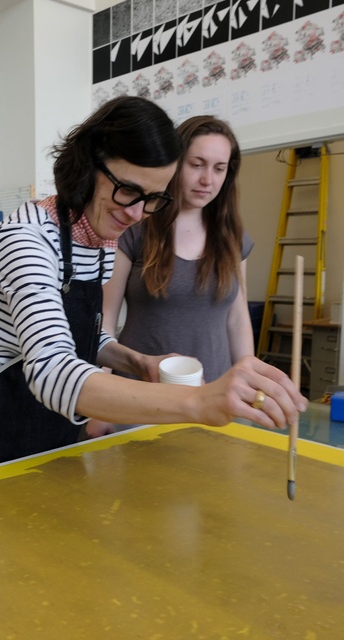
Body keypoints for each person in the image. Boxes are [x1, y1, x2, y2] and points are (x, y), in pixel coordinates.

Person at [0, 97, 304, 477]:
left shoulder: (96, 239)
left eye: (153, 198)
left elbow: (86, 337)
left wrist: (137, 363)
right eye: (128, 190)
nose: (136, 214)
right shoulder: (25, 240)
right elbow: (52, 370)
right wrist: (197, 402)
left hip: (52, 426)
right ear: (89, 163)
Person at [92, 115, 252, 436]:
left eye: (219, 169)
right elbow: (105, 320)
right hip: (140, 397)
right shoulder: (135, 226)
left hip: (211, 399)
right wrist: (100, 403)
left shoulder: (233, 237)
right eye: (197, 164)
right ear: (175, 165)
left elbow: (237, 320)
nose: (207, 179)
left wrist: (246, 383)